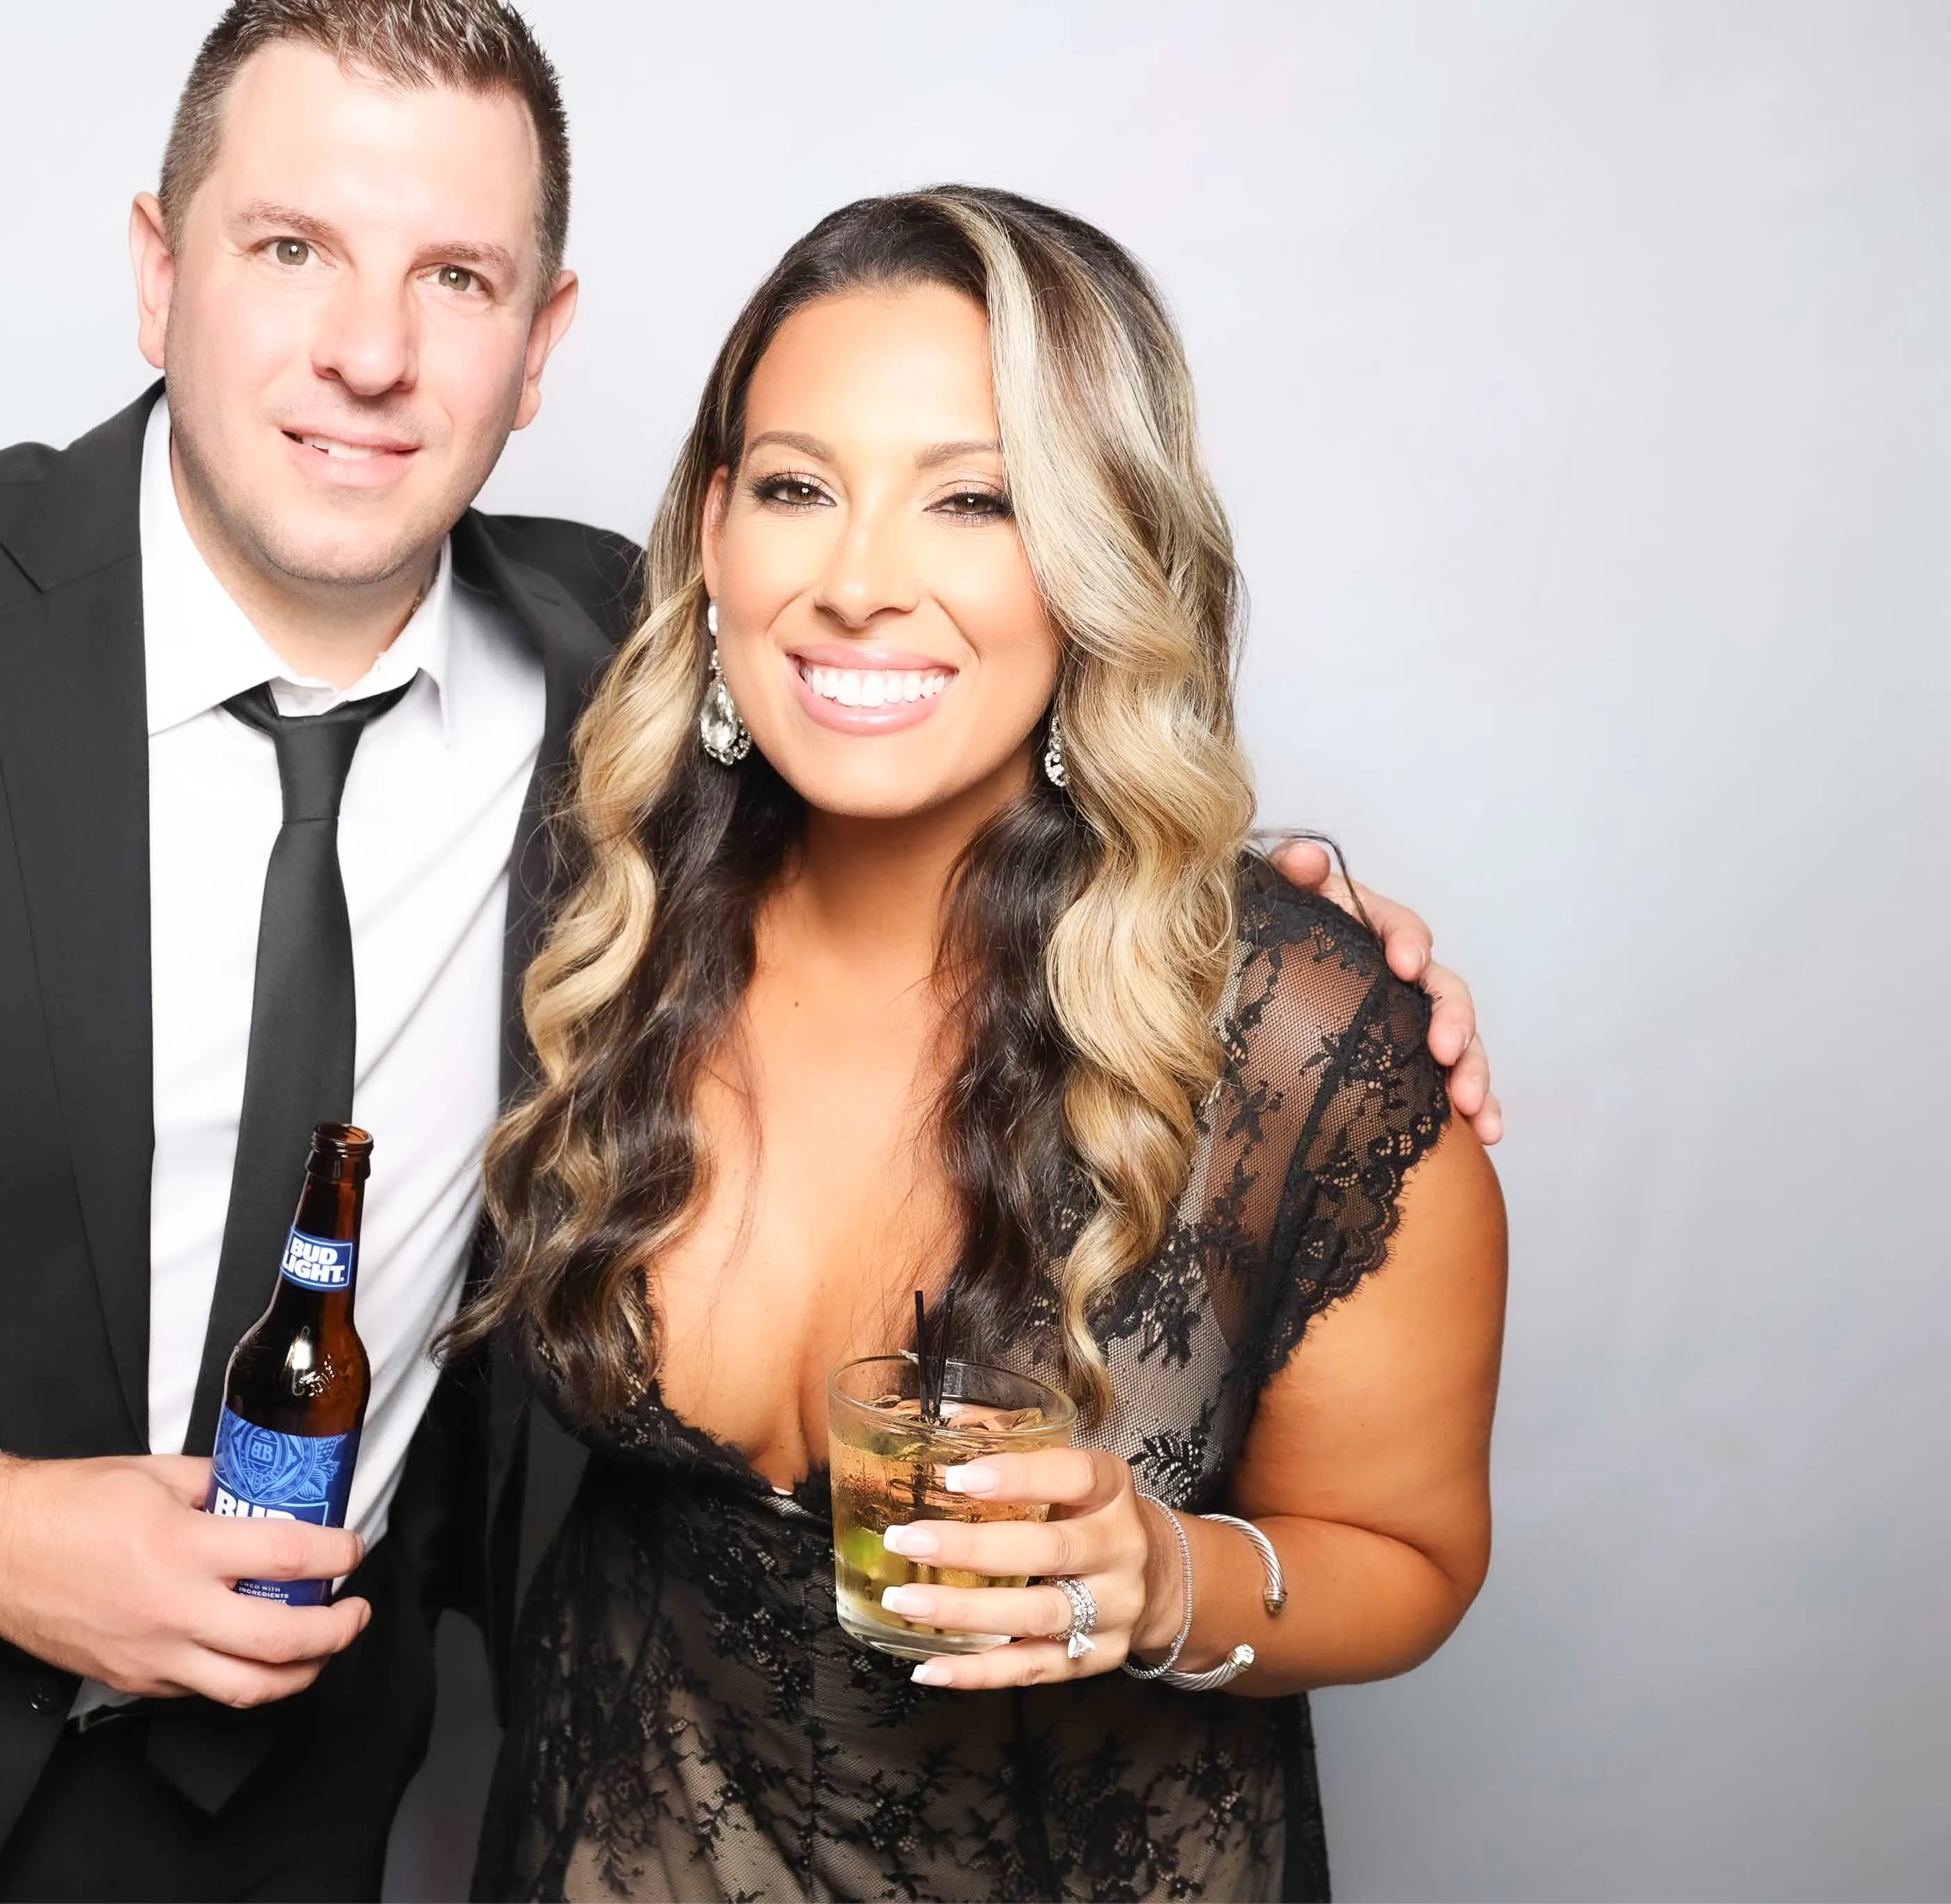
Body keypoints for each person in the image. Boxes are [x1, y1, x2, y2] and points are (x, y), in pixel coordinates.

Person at [0, 2, 1494, 1896]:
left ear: (543, 340)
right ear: (158, 269)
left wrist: (1258, 912)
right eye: (290, 248)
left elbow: (953, 766)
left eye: (456, 278)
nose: (371, 352)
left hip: (292, 1831)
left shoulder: (625, 686)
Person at [456, 188, 1510, 1902]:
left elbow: (1408, 1555)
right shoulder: (596, 914)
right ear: (713, 531)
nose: (859, 583)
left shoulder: (1298, 1042)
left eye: (975, 499)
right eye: (797, 487)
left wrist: (1160, 1581)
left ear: (1099, 554)